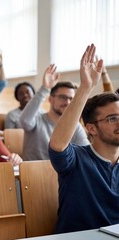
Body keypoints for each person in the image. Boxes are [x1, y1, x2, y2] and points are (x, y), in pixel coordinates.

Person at [49, 44, 119, 233]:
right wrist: (85, 88)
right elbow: (58, 145)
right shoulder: (75, 159)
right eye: (112, 119)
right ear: (91, 128)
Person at [20, 64, 89, 161]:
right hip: (33, 174)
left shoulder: (75, 126)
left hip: (63, 175)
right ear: (50, 99)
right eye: (63, 97)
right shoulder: (37, 120)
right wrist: (45, 88)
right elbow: (24, 120)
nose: (68, 102)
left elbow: (86, 152)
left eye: (71, 99)